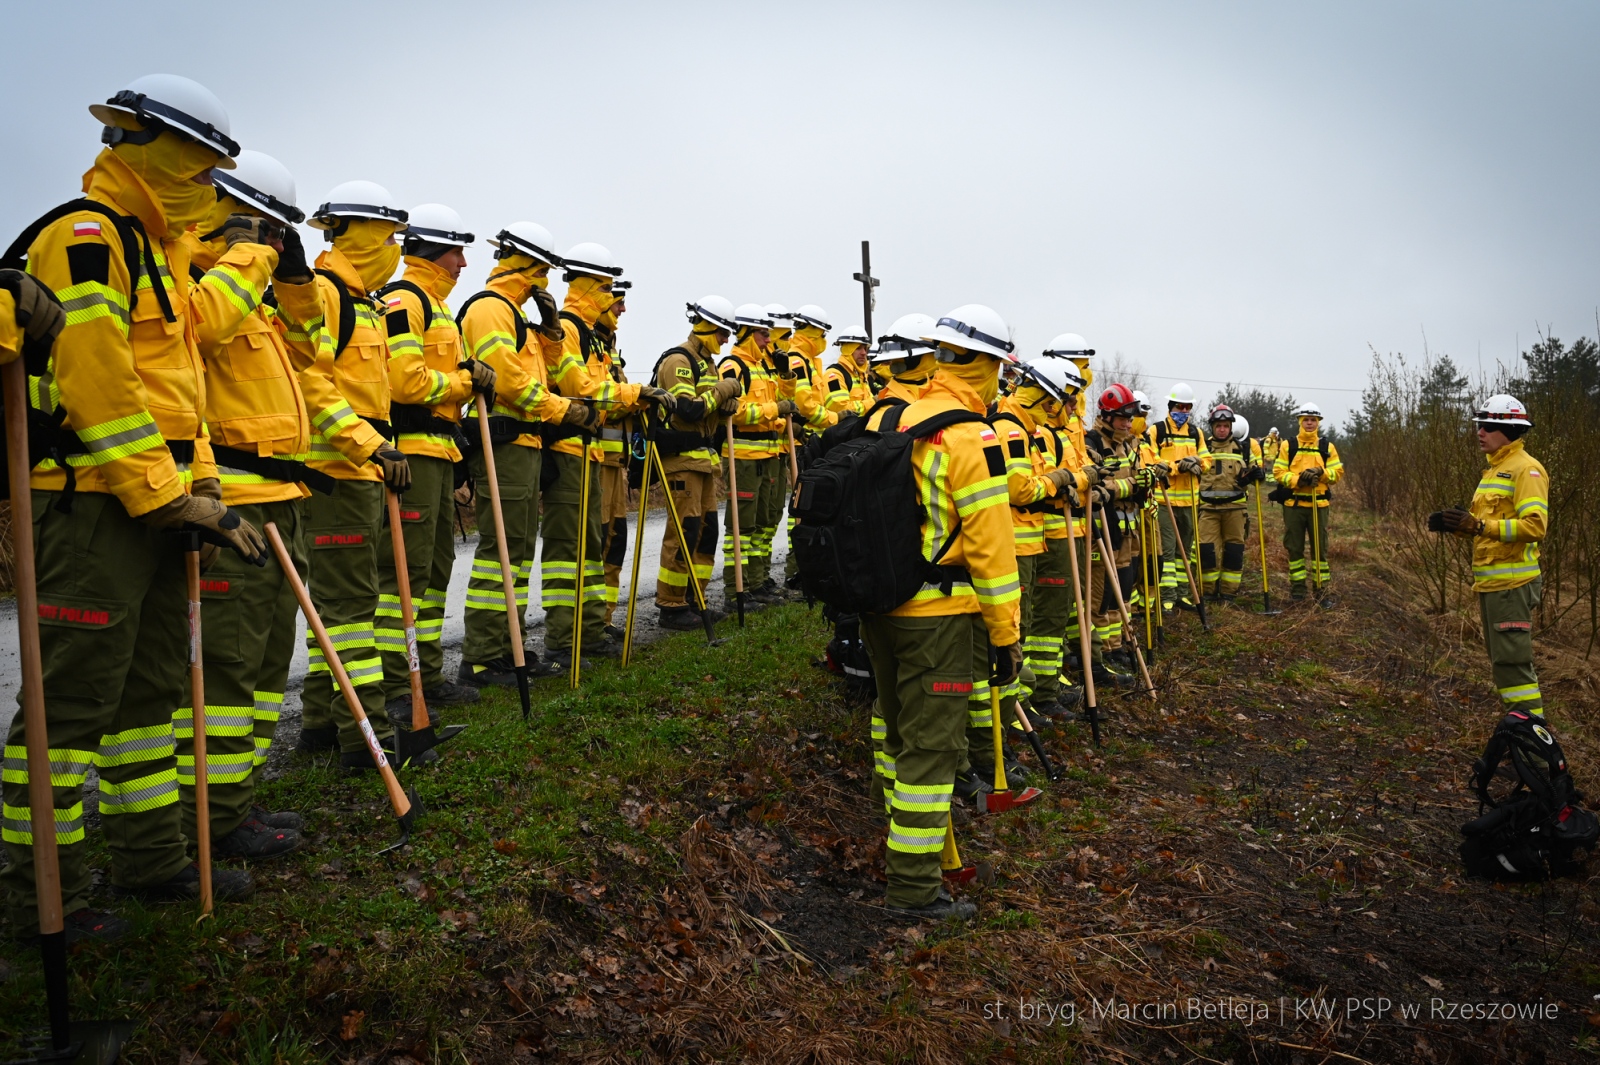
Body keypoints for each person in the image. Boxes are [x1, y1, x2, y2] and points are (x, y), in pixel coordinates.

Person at [2, 75, 266, 934]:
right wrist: (162, 496)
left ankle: (152, 859)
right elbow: (98, 379)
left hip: (154, 504)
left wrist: (205, 494)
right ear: (161, 149)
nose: (212, 189)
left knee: (150, 696)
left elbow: (177, 394)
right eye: (205, 167)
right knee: (69, 703)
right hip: (88, 506)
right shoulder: (86, 238)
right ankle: (46, 892)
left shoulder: (160, 253)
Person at [180, 149, 326, 860]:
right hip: (235, 503)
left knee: (269, 667)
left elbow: (317, 352)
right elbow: (198, 333)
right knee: (230, 671)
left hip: (282, 499)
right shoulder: (198, 280)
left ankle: (237, 800)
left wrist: (294, 281)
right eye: (274, 230)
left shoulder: (259, 291)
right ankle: (210, 817)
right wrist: (245, 255)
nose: (276, 244)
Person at [865, 304, 1021, 920]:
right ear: (982, 366)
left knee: (893, 732)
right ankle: (911, 889)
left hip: (878, 606)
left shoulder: (886, 414)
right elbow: (989, 547)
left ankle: (903, 845)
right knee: (932, 753)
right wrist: (1005, 633)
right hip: (941, 620)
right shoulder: (969, 436)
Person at [298, 181, 415, 769]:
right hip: (336, 472)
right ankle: (361, 741)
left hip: (360, 469)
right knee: (351, 610)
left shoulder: (362, 299)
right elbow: (310, 382)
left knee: (342, 607)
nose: (397, 246)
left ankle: (320, 722)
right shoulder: (325, 294)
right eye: (391, 234)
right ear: (364, 232)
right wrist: (371, 445)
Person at [455, 222, 586, 685]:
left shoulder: (517, 314)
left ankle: (504, 646)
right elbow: (509, 381)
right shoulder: (491, 309)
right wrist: (564, 411)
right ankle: (482, 656)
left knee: (518, 551)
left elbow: (545, 373)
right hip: (504, 441)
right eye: (545, 271)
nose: (547, 280)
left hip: (523, 444)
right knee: (502, 553)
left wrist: (551, 334)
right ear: (530, 266)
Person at [376, 204, 489, 712]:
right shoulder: (405, 300)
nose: (463, 263)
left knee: (437, 568)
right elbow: (406, 382)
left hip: (441, 452)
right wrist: (466, 381)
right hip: (413, 452)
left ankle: (428, 672)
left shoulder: (442, 308)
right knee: (406, 571)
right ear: (430, 250)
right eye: (456, 251)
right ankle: (398, 685)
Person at [540, 244, 665, 669]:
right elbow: (579, 387)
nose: (620, 305)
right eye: (612, 291)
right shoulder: (571, 327)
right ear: (592, 286)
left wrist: (635, 399)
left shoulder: (593, 335)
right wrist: (635, 393)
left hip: (595, 452)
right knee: (572, 548)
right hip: (571, 447)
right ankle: (565, 636)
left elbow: (607, 394)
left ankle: (590, 628)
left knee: (595, 546)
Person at [1429, 395, 1549, 718]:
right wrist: (1458, 525)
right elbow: (1484, 529)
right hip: (1493, 587)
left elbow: (1534, 527)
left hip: (1512, 587)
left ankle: (1535, 758)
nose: (1480, 432)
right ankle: (1521, 742)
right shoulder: (1494, 472)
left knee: (1514, 672)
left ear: (1510, 431)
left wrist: (1481, 525)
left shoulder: (1527, 471)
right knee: (1505, 671)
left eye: (1488, 426)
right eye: (1479, 425)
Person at [1012, 352, 1094, 718]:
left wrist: (1087, 479)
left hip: (1053, 531)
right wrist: (1070, 481)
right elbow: (1032, 485)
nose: (1072, 406)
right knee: (1035, 619)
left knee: (1051, 618)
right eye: (1066, 399)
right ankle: (1036, 694)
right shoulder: (1028, 430)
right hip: (1040, 532)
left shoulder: (1059, 430)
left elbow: (1074, 470)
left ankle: (1043, 688)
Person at [651, 297, 741, 630]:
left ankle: (695, 599)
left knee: (706, 534)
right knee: (683, 532)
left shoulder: (707, 364)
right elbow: (686, 409)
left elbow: (708, 410)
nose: (726, 340)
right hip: (681, 462)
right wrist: (722, 391)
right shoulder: (679, 360)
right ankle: (671, 605)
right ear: (708, 326)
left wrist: (724, 405)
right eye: (722, 332)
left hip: (704, 463)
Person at [718, 304, 792, 608]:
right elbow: (734, 412)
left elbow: (785, 401)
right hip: (744, 456)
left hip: (769, 454)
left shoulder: (765, 365)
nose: (768, 340)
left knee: (764, 522)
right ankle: (736, 589)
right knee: (741, 526)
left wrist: (785, 376)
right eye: (763, 334)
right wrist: (776, 410)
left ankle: (758, 582)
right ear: (747, 332)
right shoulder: (732, 366)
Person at [1084, 384, 1147, 688]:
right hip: (1104, 525)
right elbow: (1101, 488)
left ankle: (1118, 644)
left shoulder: (1129, 444)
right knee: (1102, 593)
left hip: (1128, 526)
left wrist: (1145, 482)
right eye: (1122, 418)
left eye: (1130, 417)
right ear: (1107, 416)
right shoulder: (1092, 442)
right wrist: (1131, 486)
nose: (1127, 422)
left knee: (1123, 588)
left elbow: (1134, 479)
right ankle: (1102, 653)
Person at [1142, 382, 1211, 612]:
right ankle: (1167, 596)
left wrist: (1199, 463)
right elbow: (1152, 461)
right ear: (1170, 406)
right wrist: (1177, 467)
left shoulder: (1196, 433)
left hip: (1190, 501)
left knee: (1186, 551)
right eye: (1179, 407)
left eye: (1187, 408)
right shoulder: (1157, 430)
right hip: (1165, 501)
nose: (1183, 412)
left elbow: (1207, 460)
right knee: (1168, 551)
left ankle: (1183, 593)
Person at [1272, 402, 1342, 599]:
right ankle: (1298, 591)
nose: (1309, 423)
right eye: (1306, 420)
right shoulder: (1288, 445)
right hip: (1294, 505)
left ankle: (1321, 591)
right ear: (1299, 422)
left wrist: (1321, 472)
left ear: (1318, 422)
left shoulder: (1327, 447)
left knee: (1320, 550)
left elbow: (1337, 473)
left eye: (1313, 420)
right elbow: (1278, 472)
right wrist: (1298, 480)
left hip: (1319, 505)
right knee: (1294, 549)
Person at [594, 280, 632, 633]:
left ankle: (602, 619)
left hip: (615, 460)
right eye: (618, 302)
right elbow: (597, 396)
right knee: (597, 541)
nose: (623, 309)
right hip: (593, 460)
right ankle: (586, 623)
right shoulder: (585, 337)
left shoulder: (609, 345)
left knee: (615, 540)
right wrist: (635, 396)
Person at [1197, 404, 1264, 604]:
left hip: (1235, 509)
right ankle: (1208, 592)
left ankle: (1229, 592)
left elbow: (1256, 473)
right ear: (1212, 427)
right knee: (1206, 551)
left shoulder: (1243, 448)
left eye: (1226, 425)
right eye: (1218, 425)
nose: (1222, 429)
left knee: (1234, 552)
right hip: (1208, 509)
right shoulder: (1203, 448)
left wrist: (1256, 475)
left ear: (1231, 427)